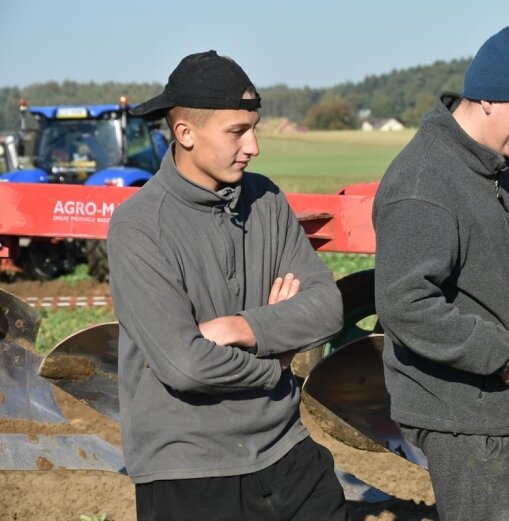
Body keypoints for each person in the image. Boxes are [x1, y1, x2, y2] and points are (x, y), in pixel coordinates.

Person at [107, 50, 347, 521]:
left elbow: (328, 308)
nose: (254, 145)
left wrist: (243, 327)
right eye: (237, 131)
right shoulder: (138, 227)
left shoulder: (267, 201)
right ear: (186, 134)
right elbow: (185, 365)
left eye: (254, 127)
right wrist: (276, 361)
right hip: (189, 470)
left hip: (287, 449)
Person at [373, 25, 509, 521]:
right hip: (466, 418)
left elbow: (501, 278)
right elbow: (405, 304)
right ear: (488, 101)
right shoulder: (425, 181)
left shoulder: (491, 167)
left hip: (506, 408)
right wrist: (500, 352)